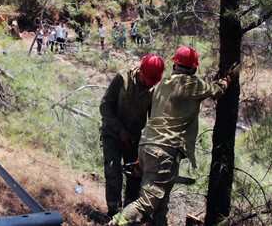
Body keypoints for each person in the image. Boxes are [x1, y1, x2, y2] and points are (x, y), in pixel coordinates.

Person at [109, 46, 238, 226]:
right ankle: (114, 224)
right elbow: (217, 90)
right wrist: (228, 78)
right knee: (146, 207)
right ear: (193, 68)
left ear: (175, 65)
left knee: (160, 207)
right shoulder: (193, 85)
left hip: (146, 147)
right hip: (165, 152)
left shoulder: (161, 85)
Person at [100, 54, 165, 217]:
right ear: (141, 70)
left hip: (134, 139)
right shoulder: (123, 78)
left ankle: (128, 216)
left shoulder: (155, 90)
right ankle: (113, 214)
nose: (149, 83)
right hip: (112, 134)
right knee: (113, 172)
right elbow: (105, 106)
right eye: (148, 78)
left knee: (135, 176)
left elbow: (154, 121)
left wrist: (147, 147)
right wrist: (119, 130)